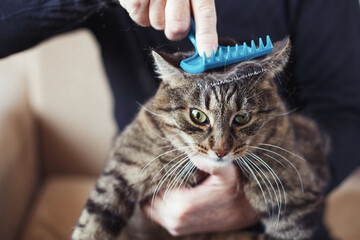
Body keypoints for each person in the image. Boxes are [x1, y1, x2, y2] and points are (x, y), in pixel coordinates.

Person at [1, 0, 359, 239]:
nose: (220, 147)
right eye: (201, 119)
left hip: (279, 210)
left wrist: (253, 205)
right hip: (141, 215)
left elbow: (350, 110)